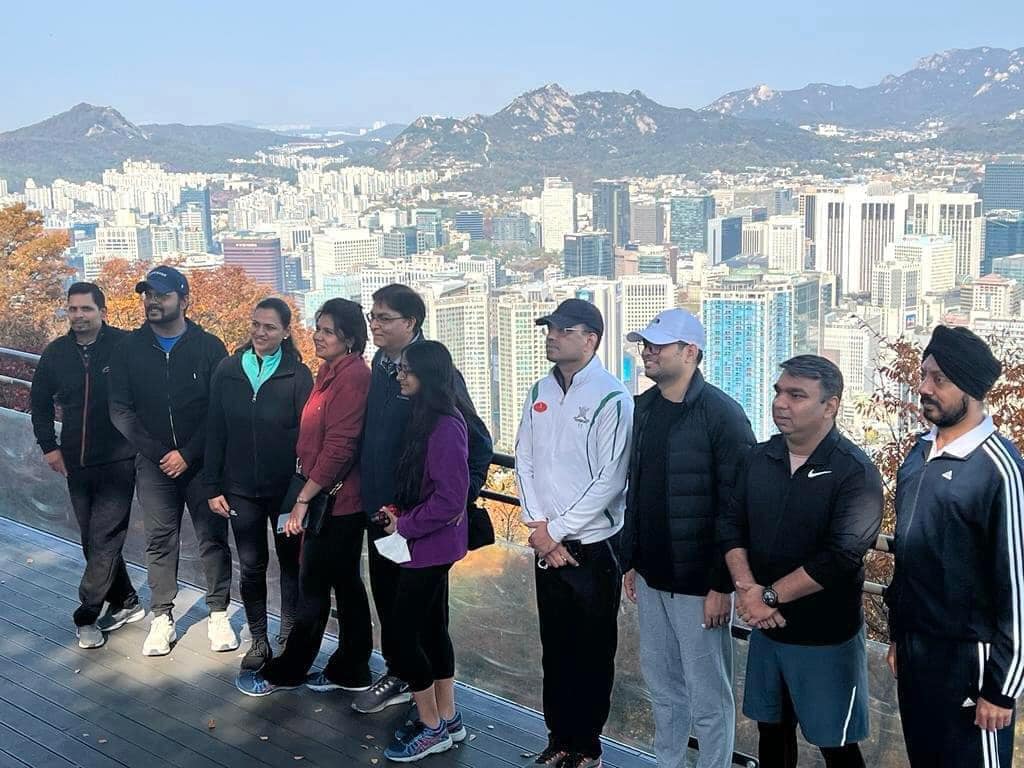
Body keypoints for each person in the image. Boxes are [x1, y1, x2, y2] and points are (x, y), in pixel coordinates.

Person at [719, 355, 882, 768]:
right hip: (766, 631)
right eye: (779, 392)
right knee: (771, 735)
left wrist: (768, 597)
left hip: (825, 637)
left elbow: (841, 556)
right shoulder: (759, 458)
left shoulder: (854, 472)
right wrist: (750, 592)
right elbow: (730, 526)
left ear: (830, 406)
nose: (780, 403)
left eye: (796, 395)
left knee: (836, 746)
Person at [620, 309, 755, 768]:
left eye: (658, 345)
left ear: (690, 352)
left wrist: (721, 584)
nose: (648, 352)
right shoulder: (644, 408)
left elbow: (737, 507)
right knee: (662, 686)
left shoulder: (722, 415)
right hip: (652, 575)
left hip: (700, 584)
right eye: (646, 344)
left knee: (708, 694)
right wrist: (631, 558)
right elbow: (637, 489)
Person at [886, 326, 1023, 767]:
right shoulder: (918, 454)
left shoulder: (998, 469)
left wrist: (1002, 689)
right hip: (917, 654)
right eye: (924, 374)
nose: (924, 387)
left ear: (971, 387)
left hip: (971, 665)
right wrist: (898, 636)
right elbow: (908, 556)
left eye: (939, 379)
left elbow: (1018, 587)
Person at [354, 283, 492, 715]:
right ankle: (404, 679)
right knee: (389, 602)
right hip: (383, 514)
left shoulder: (436, 373)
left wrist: (454, 504)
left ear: (410, 322)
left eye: (384, 318)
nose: (374, 325)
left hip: (422, 525)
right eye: (372, 316)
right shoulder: (381, 365)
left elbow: (478, 444)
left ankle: (433, 710)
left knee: (422, 620)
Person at [514, 298, 633, 768]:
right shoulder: (540, 389)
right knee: (556, 648)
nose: (553, 336)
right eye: (550, 328)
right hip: (547, 544)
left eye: (564, 330)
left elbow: (611, 479)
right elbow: (524, 459)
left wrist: (555, 532)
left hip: (594, 547)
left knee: (593, 652)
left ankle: (587, 747)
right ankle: (558, 739)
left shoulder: (611, 397)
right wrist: (538, 527)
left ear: (591, 339)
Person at [236, 298, 374, 697]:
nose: (318, 336)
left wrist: (304, 497)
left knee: (313, 584)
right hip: (332, 496)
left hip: (336, 501)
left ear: (349, 339)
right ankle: (352, 667)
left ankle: (288, 670)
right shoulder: (329, 371)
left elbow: (341, 446)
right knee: (346, 583)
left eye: (328, 331)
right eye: (318, 328)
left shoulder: (353, 378)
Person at [108, 265, 238, 657]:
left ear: (183, 300)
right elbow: (120, 410)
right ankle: (162, 616)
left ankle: (218, 612)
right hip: (153, 464)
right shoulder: (128, 349)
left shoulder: (209, 347)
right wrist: (160, 453)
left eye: (162, 295)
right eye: (148, 294)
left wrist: (189, 453)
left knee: (212, 538)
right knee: (159, 540)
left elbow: (220, 409)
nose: (152, 301)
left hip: (203, 464)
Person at [30, 282, 142, 649]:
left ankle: (87, 615)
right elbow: (39, 402)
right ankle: (127, 601)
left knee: (104, 538)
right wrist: (49, 447)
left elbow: (151, 392)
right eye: (73, 309)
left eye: (86, 309)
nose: (79, 315)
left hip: (119, 460)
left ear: (102, 312)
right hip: (76, 461)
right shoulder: (56, 353)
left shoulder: (125, 346)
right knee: (91, 540)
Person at [204, 297, 312, 671]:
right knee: (251, 565)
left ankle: (289, 637)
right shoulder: (228, 370)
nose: (260, 332)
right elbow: (215, 429)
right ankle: (259, 639)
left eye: (269, 327)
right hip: (240, 489)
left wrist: (301, 492)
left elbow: (308, 439)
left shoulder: (298, 375)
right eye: (256, 325)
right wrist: (212, 485)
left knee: (290, 564)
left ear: (285, 332)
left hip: (285, 492)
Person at [379, 341, 473, 763]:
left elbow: (451, 499)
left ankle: (431, 726)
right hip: (429, 543)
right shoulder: (427, 418)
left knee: (402, 636)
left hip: (431, 546)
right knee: (433, 629)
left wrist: (406, 525)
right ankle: (448, 718)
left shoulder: (445, 426)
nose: (400, 376)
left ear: (428, 375)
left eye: (407, 370)